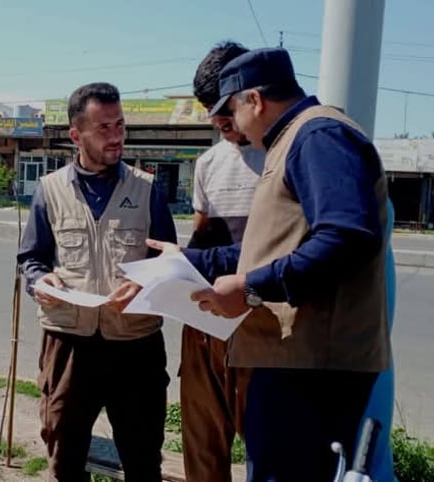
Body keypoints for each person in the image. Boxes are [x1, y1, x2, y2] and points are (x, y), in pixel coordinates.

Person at [149, 47, 391, 481]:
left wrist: (250, 289)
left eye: (231, 112)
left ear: (254, 101)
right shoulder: (294, 140)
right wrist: (186, 259)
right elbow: (268, 250)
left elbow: (346, 237)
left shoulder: (319, 137)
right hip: (294, 362)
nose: (229, 127)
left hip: (314, 368)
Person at [16, 82, 178, 481]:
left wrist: (147, 284)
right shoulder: (50, 189)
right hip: (68, 343)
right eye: (104, 128)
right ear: (77, 135)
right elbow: (30, 259)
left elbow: (169, 261)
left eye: (120, 125)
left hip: (135, 345)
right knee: (64, 454)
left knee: (142, 460)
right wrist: (41, 279)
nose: (116, 136)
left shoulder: (147, 188)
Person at [179, 40, 265, 482]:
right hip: (206, 325)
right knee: (201, 441)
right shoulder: (209, 162)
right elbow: (202, 239)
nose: (218, 122)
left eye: (223, 110)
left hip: (264, 320)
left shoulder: (286, 154)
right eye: (209, 112)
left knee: (268, 445)